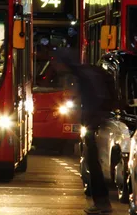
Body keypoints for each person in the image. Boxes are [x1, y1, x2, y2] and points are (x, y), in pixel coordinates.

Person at [53, 49, 114, 214]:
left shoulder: (84, 75)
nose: (56, 67)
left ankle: (102, 203)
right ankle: (101, 203)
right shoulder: (83, 73)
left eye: (58, 63)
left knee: (93, 163)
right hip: (94, 122)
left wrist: (89, 122)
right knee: (93, 163)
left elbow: (95, 98)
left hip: (93, 125)